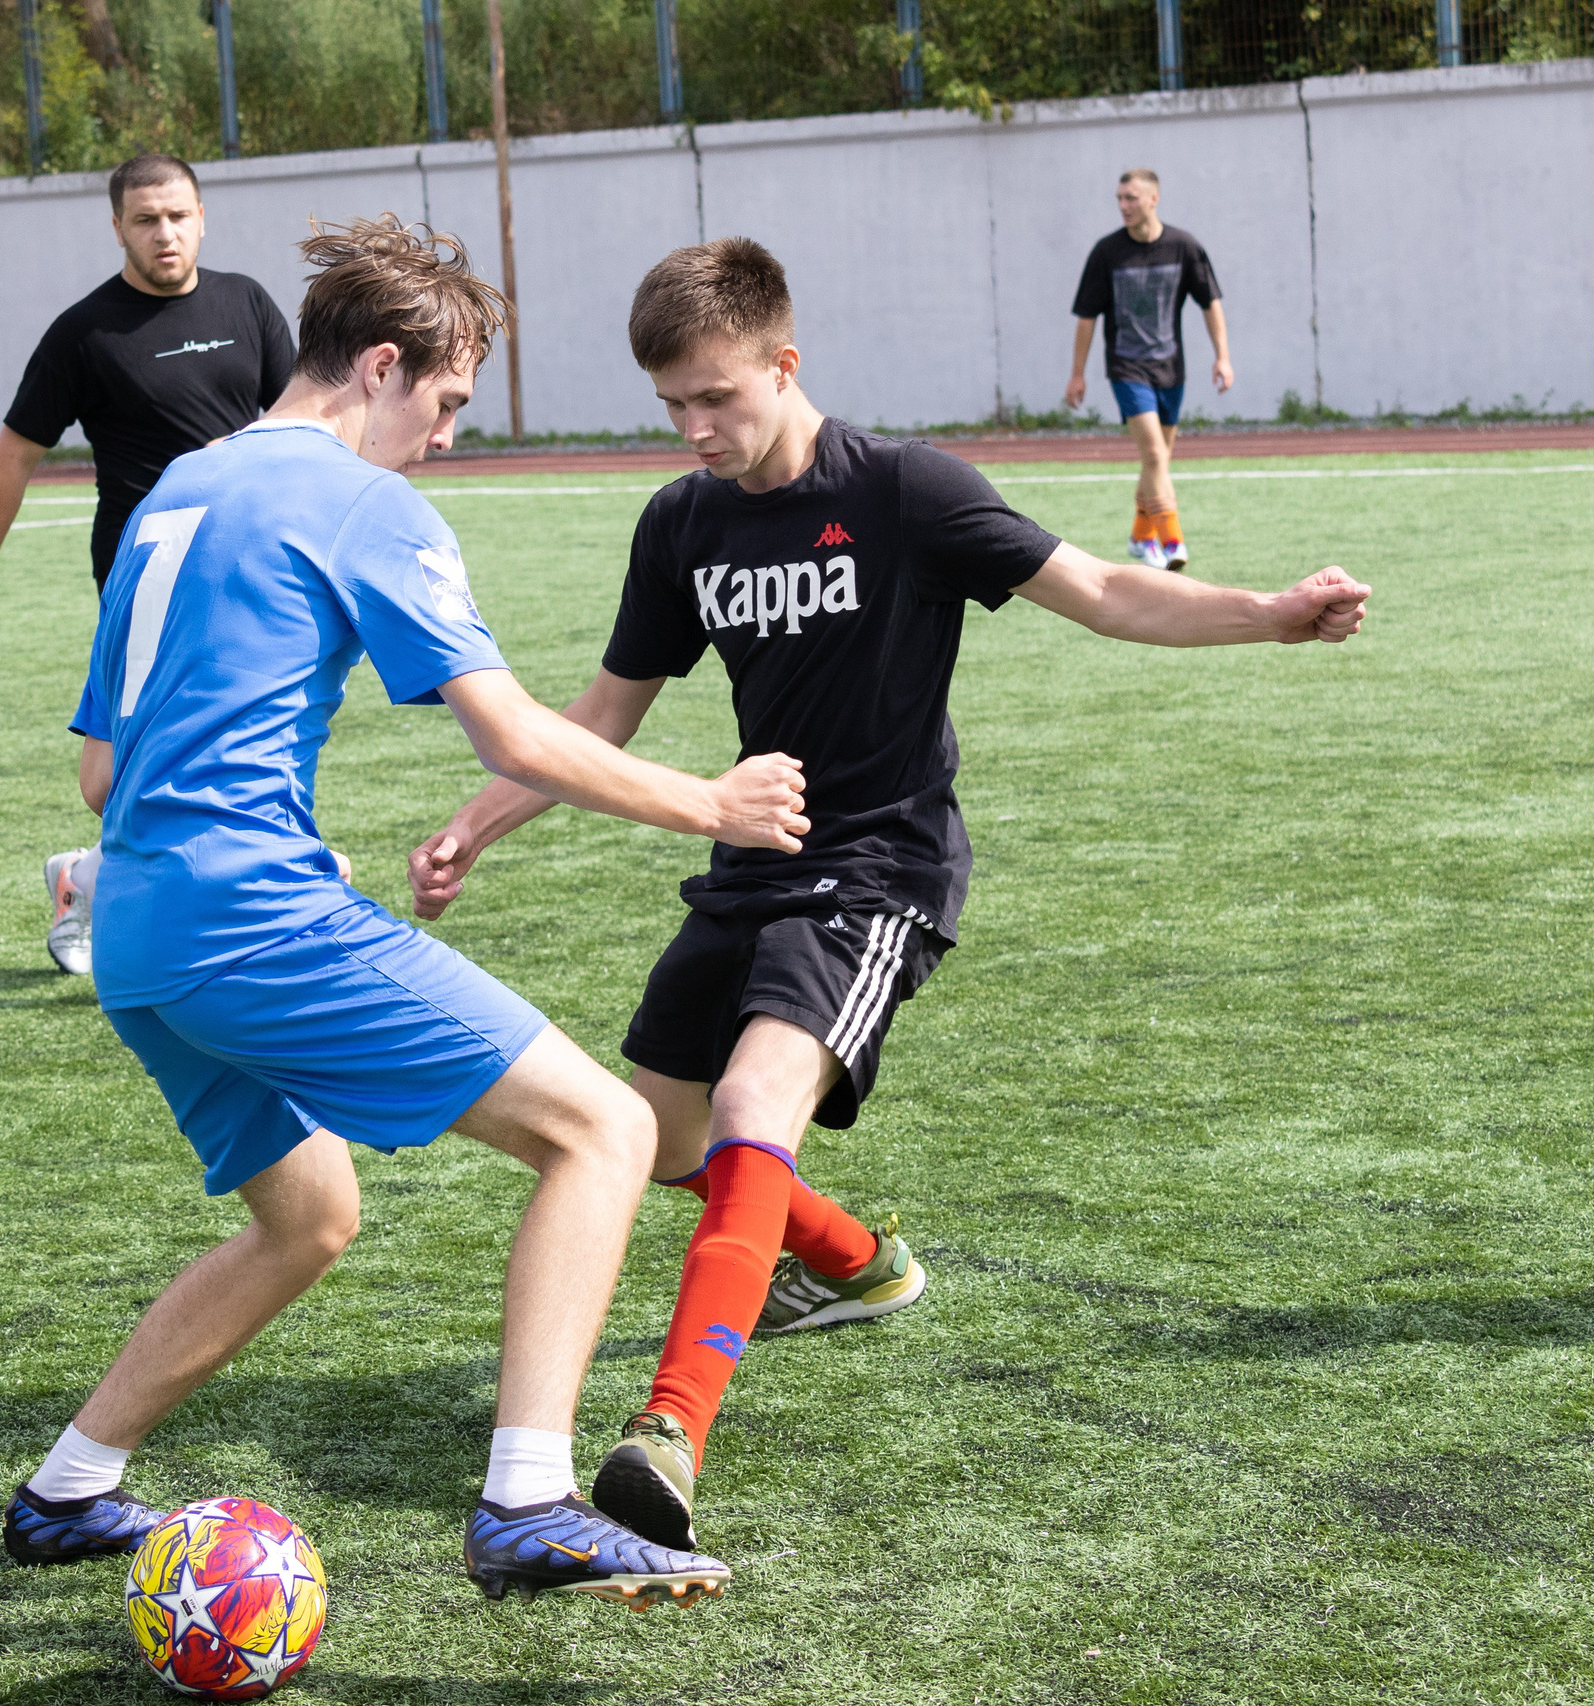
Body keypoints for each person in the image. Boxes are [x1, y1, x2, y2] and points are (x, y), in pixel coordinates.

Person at [409, 237, 1366, 1555]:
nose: (694, 429)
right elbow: (607, 714)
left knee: (754, 1105)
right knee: (661, 1141)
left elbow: (1097, 590)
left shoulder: (905, 489)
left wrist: (1268, 611)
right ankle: (857, 1262)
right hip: (748, 862)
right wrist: (480, 819)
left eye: (717, 397)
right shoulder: (683, 522)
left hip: (877, 871)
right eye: (672, 404)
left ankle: (670, 1429)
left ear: (783, 364)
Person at [0, 216, 814, 1611]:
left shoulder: (179, 491)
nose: (442, 440)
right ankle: (528, 1502)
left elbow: (98, 766)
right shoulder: (361, 502)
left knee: (306, 1218)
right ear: (381, 367)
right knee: (605, 1126)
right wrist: (713, 804)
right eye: (442, 404)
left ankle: (68, 1485)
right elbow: (515, 739)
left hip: (136, 932)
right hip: (257, 919)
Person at [0, 153, 296, 979]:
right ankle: (109, 885)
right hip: (145, 580)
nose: (165, 234)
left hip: (246, 569)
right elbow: (12, 462)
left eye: (177, 216)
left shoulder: (248, 304)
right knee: (118, 777)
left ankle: (121, 887)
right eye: (145, 220)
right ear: (118, 226)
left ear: (203, 216)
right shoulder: (85, 333)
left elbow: (295, 430)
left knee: (216, 751)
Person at [1063, 169, 1232, 571]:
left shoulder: (1183, 246)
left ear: (1154, 199)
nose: (1123, 206)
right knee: (1155, 454)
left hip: (1172, 369)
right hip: (1126, 367)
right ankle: (1172, 542)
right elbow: (1086, 318)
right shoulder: (1106, 253)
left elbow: (1210, 303)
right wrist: (1077, 373)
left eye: (1131, 198)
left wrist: (1222, 356)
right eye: (1119, 198)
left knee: (1158, 460)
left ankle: (1140, 536)